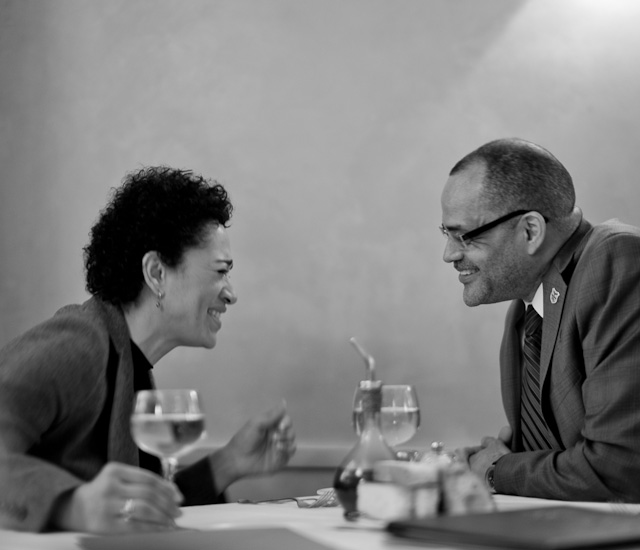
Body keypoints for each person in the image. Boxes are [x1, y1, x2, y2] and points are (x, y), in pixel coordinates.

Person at [0, 166, 296, 533]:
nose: (232, 293)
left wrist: (228, 463)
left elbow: (137, 512)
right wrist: (72, 506)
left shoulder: (127, 359)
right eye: (221, 271)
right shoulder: (76, 346)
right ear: (156, 273)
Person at [440, 138, 640, 502]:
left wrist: (494, 470)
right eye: (446, 234)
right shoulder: (524, 311)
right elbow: (556, 457)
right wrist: (488, 460)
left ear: (531, 230)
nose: (449, 254)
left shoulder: (617, 258)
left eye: (463, 236)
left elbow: (617, 468)